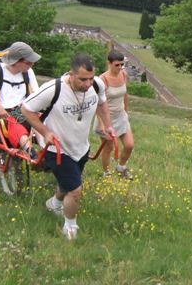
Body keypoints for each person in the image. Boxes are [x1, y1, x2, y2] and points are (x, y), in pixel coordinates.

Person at [21, 53, 115, 241]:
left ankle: (54, 203)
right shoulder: (53, 89)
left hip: (81, 146)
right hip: (56, 149)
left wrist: (107, 125)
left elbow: (102, 104)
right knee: (75, 189)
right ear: (71, 75)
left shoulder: (97, 85)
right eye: (82, 79)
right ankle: (70, 226)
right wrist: (45, 132)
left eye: (90, 78)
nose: (88, 84)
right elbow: (26, 109)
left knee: (69, 182)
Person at [0, 41, 40, 154]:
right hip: (7, 112)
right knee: (16, 124)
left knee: (44, 120)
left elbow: (37, 95)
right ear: (17, 61)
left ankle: (51, 152)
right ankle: (31, 153)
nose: (32, 65)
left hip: (25, 108)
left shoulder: (28, 72)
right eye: (29, 63)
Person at [94, 49, 134, 179]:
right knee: (109, 147)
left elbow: (125, 94)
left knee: (129, 145)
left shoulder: (123, 75)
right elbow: (97, 103)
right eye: (117, 64)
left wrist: (126, 112)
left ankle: (121, 167)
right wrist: (101, 124)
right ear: (109, 63)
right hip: (107, 118)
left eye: (122, 64)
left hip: (121, 115)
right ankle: (106, 172)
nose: (120, 67)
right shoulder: (102, 79)